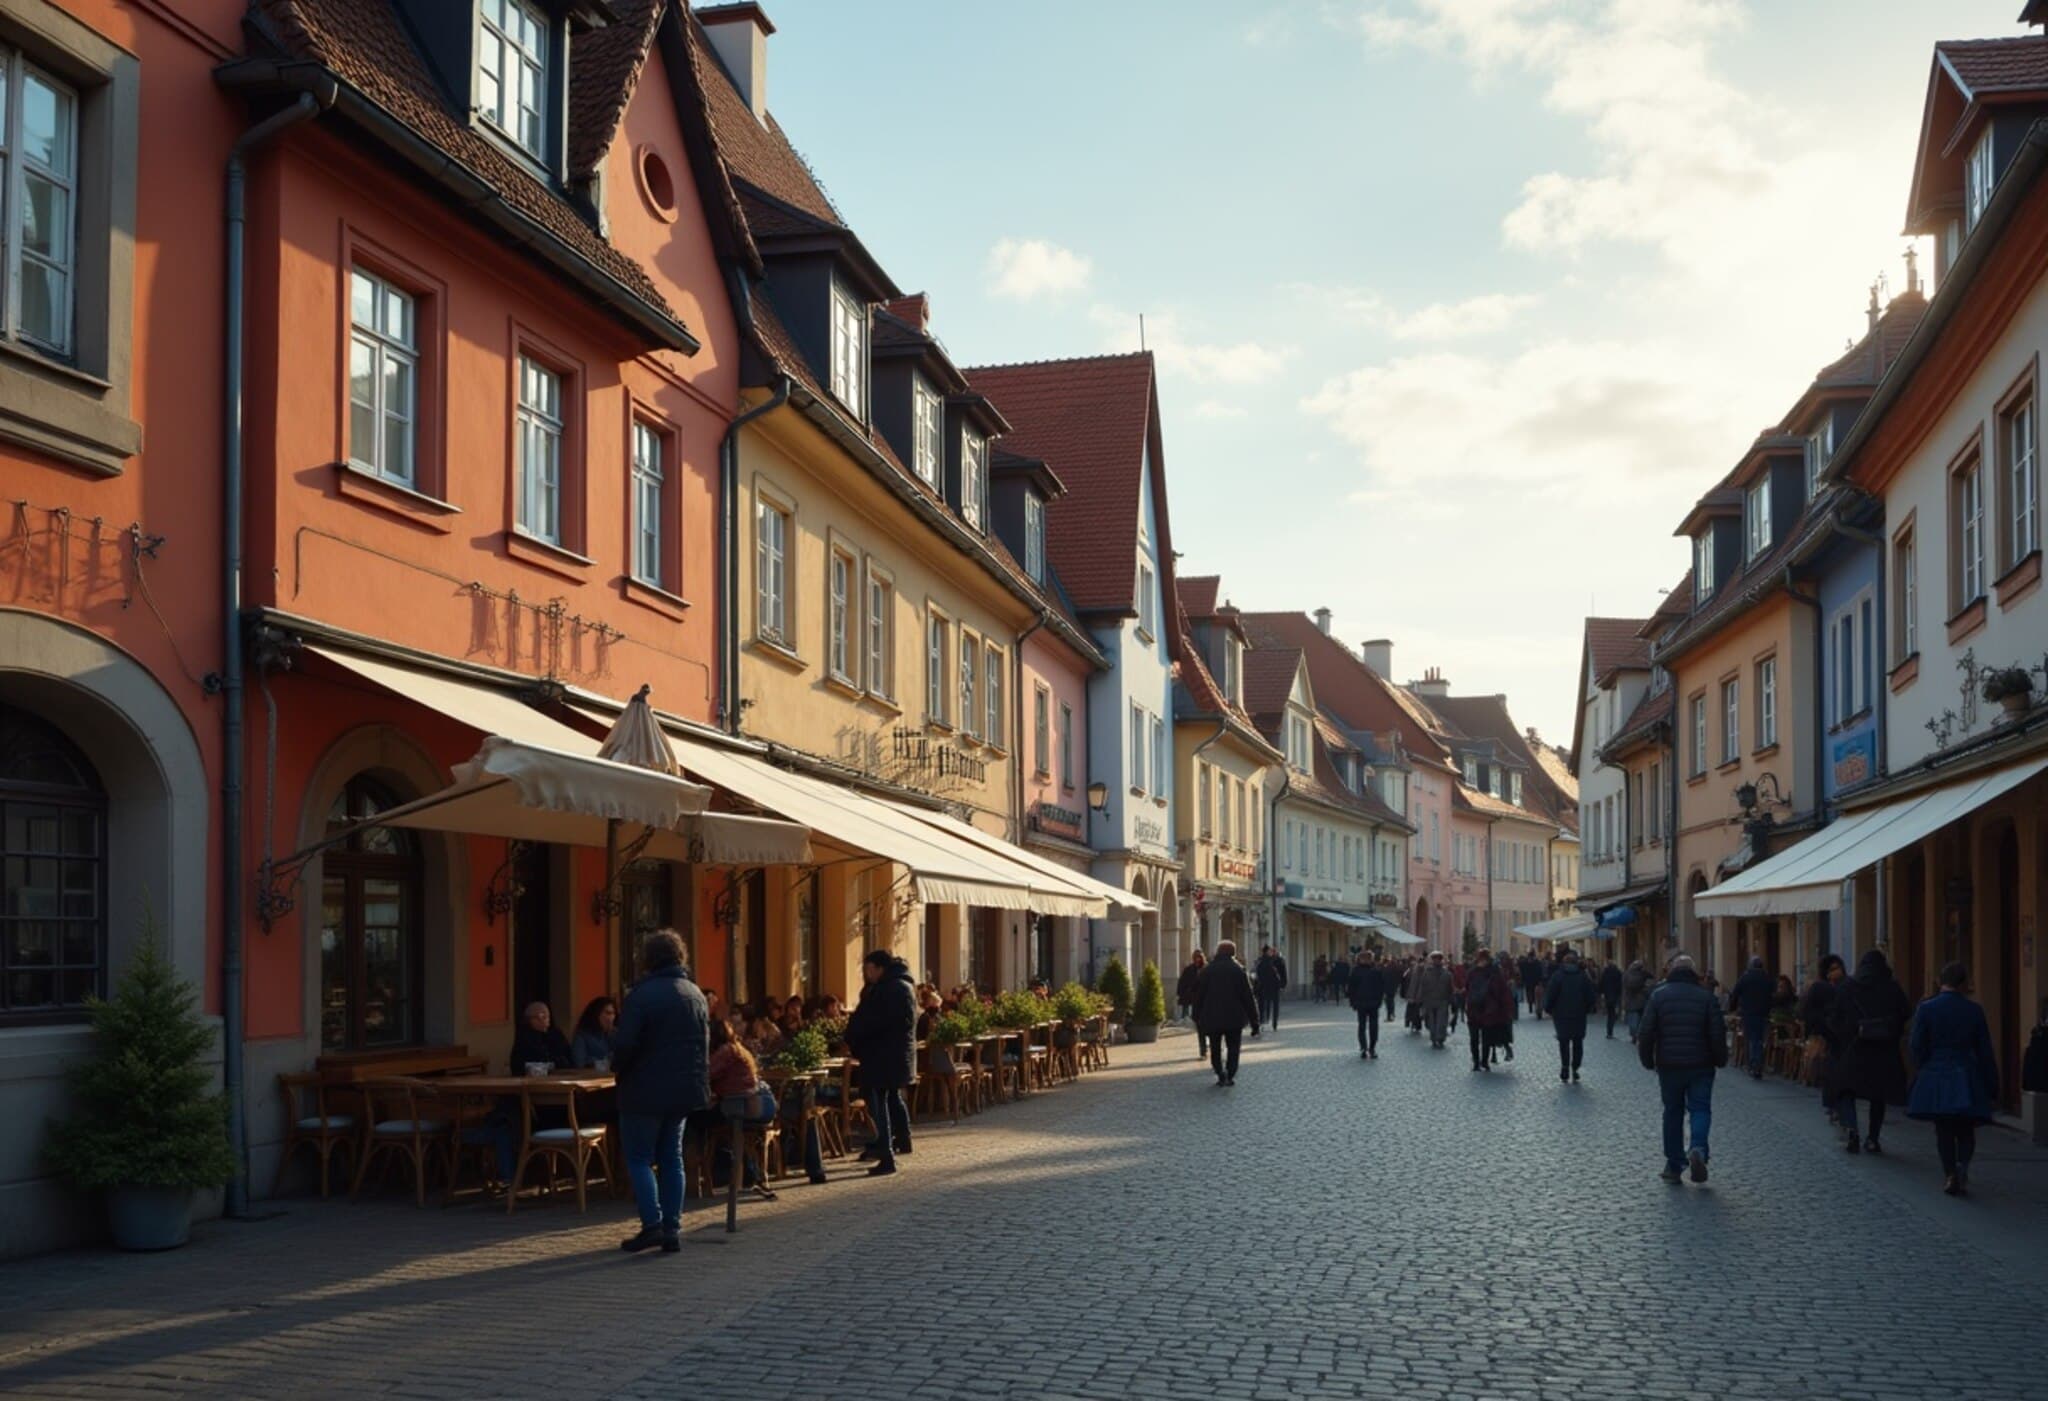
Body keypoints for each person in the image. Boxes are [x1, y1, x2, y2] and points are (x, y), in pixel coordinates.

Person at [613, 929, 709, 1254]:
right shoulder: (694, 993)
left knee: (639, 1158)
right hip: (682, 1089)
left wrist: (619, 1070)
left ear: (648, 958)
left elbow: (625, 1043)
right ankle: (672, 1228)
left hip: (644, 1089)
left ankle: (651, 1224)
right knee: (673, 1158)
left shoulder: (641, 995)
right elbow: (703, 1045)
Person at [1908, 962, 1999, 1195]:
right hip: (1966, 1073)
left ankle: (1949, 1173)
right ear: (1964, 983)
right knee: (1966, 1128)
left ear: (1940, 981)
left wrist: (1923, 1068)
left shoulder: (1927, 1008)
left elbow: (1916, 1045)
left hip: (1937, 1072)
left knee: (1944, 1128)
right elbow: (1985, 1051)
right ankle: (1962, 1165)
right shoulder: (1974, 1010)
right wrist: (1991, 1084)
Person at [1637, 954, 1728, 1183]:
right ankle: (1698, 1148)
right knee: (1700, 1108)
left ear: (1671, 971)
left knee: (1673, 1112)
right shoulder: (1706, 997)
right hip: (1701, 1064)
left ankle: (1674, 1164)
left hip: (1670, 1065)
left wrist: (1647, 1059)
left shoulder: (1659, 996)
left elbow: (1646, 1032)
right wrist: (1720, 1058)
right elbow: (1717, 1033)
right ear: (1694, 973)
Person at [842, 949, 917, 1177]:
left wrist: (855, 1036)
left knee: (879, 1104)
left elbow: (876, 1022)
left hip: (882, 1056)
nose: (867, 974)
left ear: (879, 968)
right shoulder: (900, 986)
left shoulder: (889, 989)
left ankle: (886, 1155)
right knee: (888, 1099)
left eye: (869, 969)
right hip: (890, 1056)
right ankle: (898, 1141)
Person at [1829, 948, 1912, 1156]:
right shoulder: (1892, 987)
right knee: (1878, 1096)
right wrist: (1890, 1029)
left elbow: (1835, 1017)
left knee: (1844, 1089)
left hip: (1855, 1048)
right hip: (1883, 1050)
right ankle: (1873, 1138)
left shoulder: (1849, 986)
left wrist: (1847, 1035)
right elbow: (1905, 1012)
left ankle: (1852, 1130)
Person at [692, 1017, 779, 1201]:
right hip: (757, 1104)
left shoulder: (724, 1052)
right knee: (730, 1132)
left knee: (693, 1120)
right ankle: (747, 1175)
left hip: (744, 1108)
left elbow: (703, 1076)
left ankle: (700, 1174)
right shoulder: (737, 1049)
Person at [1194, 939, 1260, 1085]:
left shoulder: (1208, 970)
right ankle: (1230, 1073)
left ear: (1217, 953)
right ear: (1233, 953)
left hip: (1212, 1016)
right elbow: (1248, 997)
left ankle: (1219, 1072)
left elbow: (1199, 995)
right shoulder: (1238, 971)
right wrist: (1255, 1021)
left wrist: (1196, 1015)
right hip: (1234, 1018)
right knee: (1233, 1047)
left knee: (1215, 1047)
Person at [1799, 954, 1850, 1130]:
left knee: (1838, 1075)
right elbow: (1808, 1012)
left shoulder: (1847, 986)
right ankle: (1834, 1106)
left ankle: (1840, 1110)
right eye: (1831, 969)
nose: (1835, 972)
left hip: (1841, 1038)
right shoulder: (1819, 988)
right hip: (1826, 1038)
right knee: (1829, 1073)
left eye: (1837, 968)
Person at [1544, 949, 1598, 1083]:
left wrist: (1548, 1008)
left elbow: (1551, 994)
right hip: (1578, 1014)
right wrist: (1586, 1008)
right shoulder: (1582, 976)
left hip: (1561, 1015)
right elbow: (1591, 996)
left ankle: (1565, 1067)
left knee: (1563, 1042)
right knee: (1577, 1042)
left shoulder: (1558, 976)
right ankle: (1575, 1067)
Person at [1464, 949, 1514, 1071]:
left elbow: (1467, 988)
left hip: (1476, 1009)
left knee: (1476, 1038)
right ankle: (1483, 1062)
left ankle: (1477, 1062)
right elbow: (1502, 992)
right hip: (1488, 1010)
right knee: (1485, 1037)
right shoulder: (1495, 972)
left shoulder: (1472, 972)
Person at [1727, 956, 1776, 1080]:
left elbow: (1735, 994)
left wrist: (1732, 1008)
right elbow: (1774, 994)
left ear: (1751, 965)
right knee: (1760, 1039)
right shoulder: (1767, 978)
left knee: (1752, 1039)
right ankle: (1758, 1064)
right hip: (1764, 1013)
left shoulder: (1745, 978)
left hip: (1749, 1013)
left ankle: (1754, 1064)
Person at [510, 1000, 572, 1073]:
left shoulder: (556, 1035)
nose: (543, 1020)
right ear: (529, 1020)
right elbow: (518, 1065)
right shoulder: (524, 1038)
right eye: (541, 1016)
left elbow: (567, 1057)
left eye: (547, 1016)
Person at [1410, 950, 1454, 1049]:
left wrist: (1452, 1000)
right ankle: (1434, 1037)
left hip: (1442, 1000)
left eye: (1438, 959)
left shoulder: (1447, 973)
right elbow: (1423, 986)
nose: (1436, 961)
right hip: (1429, 1000)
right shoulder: (1427, 972)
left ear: (1441, 960)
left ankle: (1440, 1038)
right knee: (1431, 1021)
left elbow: (1450, 988)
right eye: (1435, 959)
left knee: (1441, 1021)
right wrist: (1419, 998)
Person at [1349, 949, 1387, 1059]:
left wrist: (1379, 1000)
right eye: (1364, 958)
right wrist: (1353, 1001)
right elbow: (1352, 988)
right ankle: (1364, 1048)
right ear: (1360, 959)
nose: (1366, 960)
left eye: (1368, 958)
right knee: (1362, 1026)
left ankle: (1371, 1047)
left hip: (1372, 1003)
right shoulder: (1356, 971)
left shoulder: (1376, 971)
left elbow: (1381, 987)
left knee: (1372, 1027)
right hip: (1362, 1003)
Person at [569, 996, 618, 1069]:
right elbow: (579, 1063)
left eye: (613, 1013)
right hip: (590, 1077)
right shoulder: (582, 1035)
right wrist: (599, 1062)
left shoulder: (614, 1034)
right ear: (596, 1014)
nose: (611, 1017)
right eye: (608, 1013)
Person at [1177, 950, 1208, 1059]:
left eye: (1199, 957)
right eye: (1195, 957)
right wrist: (1184, 994)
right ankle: (1203, 1050)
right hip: (1195, 1003)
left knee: (1207, 1028)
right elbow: (1182, 984)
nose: (1197, 959)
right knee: (1200, 1028)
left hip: (1206, 1003)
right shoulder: (1189, 970)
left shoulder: (1207, 969)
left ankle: (1206, 1047)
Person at [1253, 944, 1287, 1033]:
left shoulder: (1260, 961)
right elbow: (1282, 973)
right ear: (1268, 951)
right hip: (1274, 986)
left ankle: (1264, 1022)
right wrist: (1282, 984)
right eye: (1270, 951)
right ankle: (1273, 1023)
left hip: (1263, 987)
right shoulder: (1275, 961)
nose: (1272, 952)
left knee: (1264, 1005)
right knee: (1274, 1005)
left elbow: (1256, 975)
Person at [1622, 959, 1653, 1042]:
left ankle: (1634, 1035)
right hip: (1641, 1000)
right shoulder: (1643, 973)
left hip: (1630, 1000)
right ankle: (1638, 1034)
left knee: (1633, 1020)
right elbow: (1652, 979)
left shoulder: (1626, 974)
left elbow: (1624, 987)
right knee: (1640, 1019)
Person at [1598, 957, 1625, 1039]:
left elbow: (1601, 984)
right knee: (1613, 1012)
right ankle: (1615, 1018)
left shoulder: (1604, 973)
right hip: (1616, 996)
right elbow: (1620, 985)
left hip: (1607, 996)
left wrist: (1601, 994)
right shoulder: (1618, 972)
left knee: (1610, 1014)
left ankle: (1609, 1032)